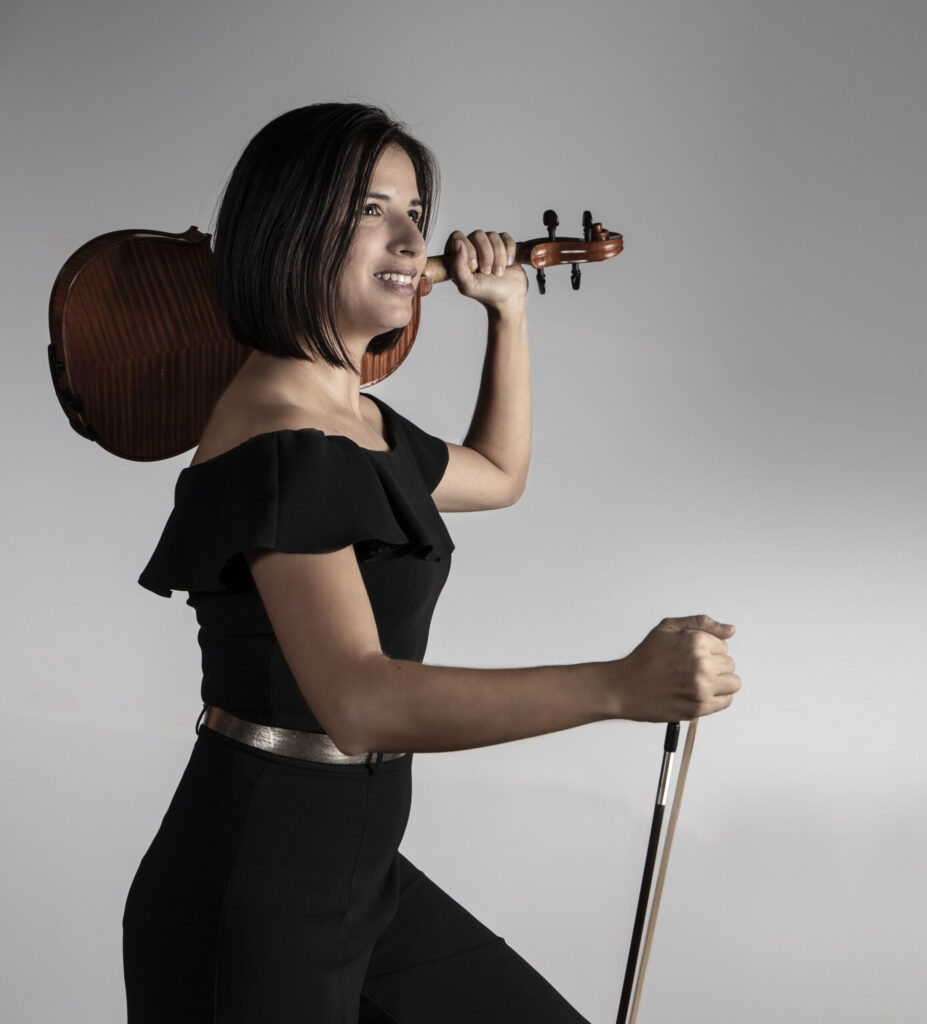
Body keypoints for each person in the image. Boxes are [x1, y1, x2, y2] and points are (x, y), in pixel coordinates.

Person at [122, 102, 741, 1023]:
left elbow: (497, 473)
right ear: (290, 228)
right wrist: (620, 685)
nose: (413, 241)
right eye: (371, 210)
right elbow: (361, 703)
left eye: (416, 212)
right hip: (252, 902)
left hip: (361, 874)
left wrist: (508, 313)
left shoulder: (351, 417)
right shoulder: (283, 436)